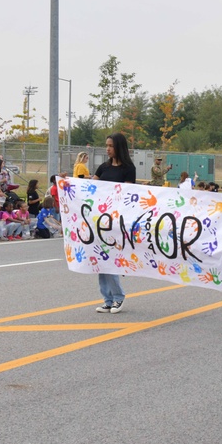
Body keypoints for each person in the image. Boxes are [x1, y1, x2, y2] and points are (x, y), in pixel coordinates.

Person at [91, 132, 137, 313]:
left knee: (111, 260)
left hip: (117, 221)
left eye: (110, 146)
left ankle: (118, 297)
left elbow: (126, 195)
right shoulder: (103, 167)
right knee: (100, 261)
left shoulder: (128, 168)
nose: (107, 149)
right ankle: (107, 299)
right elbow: (89, 188)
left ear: (119, 147)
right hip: (100, 220)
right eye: (106, 145)